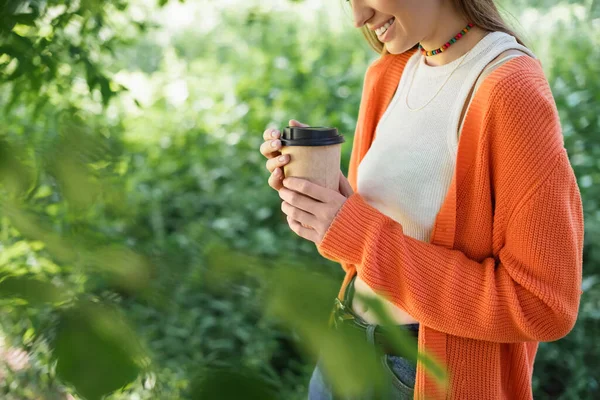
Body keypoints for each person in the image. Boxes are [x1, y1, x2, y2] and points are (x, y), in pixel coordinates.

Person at [259, 0, 584, 399]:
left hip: (422, 375)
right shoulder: (389, 72)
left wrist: (358, 233)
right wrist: (324, 207)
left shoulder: (509, 88)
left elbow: (543, 305)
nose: (358, 17)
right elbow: (367, 255)